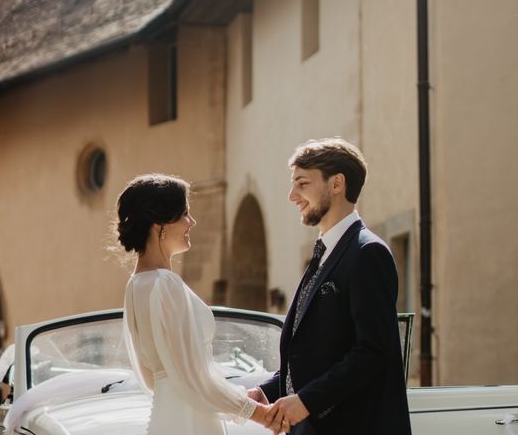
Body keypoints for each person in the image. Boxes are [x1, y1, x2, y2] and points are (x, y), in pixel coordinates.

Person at [248, 138, 412, 435]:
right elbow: (320, 351)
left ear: (337, 184)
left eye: (302, 183)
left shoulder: (367, 253)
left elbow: (374, 350)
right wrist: (269, 390)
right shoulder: (323, 253)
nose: (292, 195)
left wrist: (308, 400)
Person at [118, 174, 272, 435]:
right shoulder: (166, 284)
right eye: (185, 214)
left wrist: (235, 396)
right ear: (160, 224)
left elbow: (156, 378)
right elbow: (193, 378)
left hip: (165, 418)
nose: (192, 222)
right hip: (191, 424)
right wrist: (257, 413)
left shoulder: (136, 285)